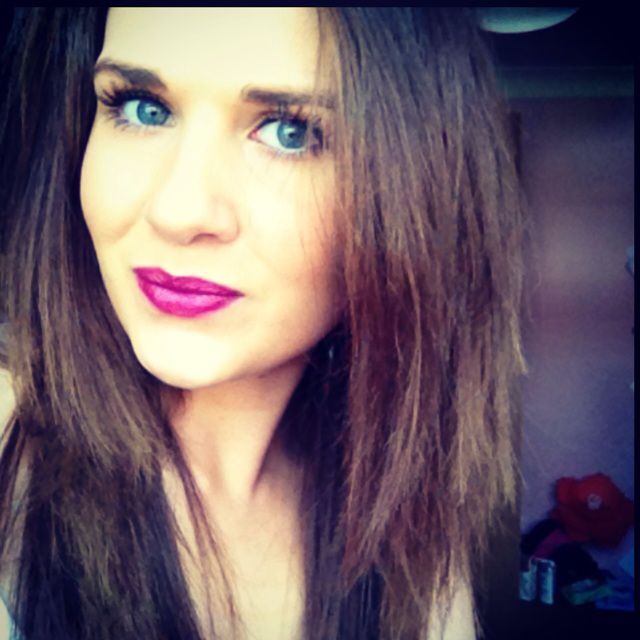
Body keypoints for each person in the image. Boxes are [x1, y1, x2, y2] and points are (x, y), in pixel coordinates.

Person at [0, 7, 529, 640]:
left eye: (289, 131)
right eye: (143, 108)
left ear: (417, 196)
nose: (179, 210)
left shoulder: (408, 536)